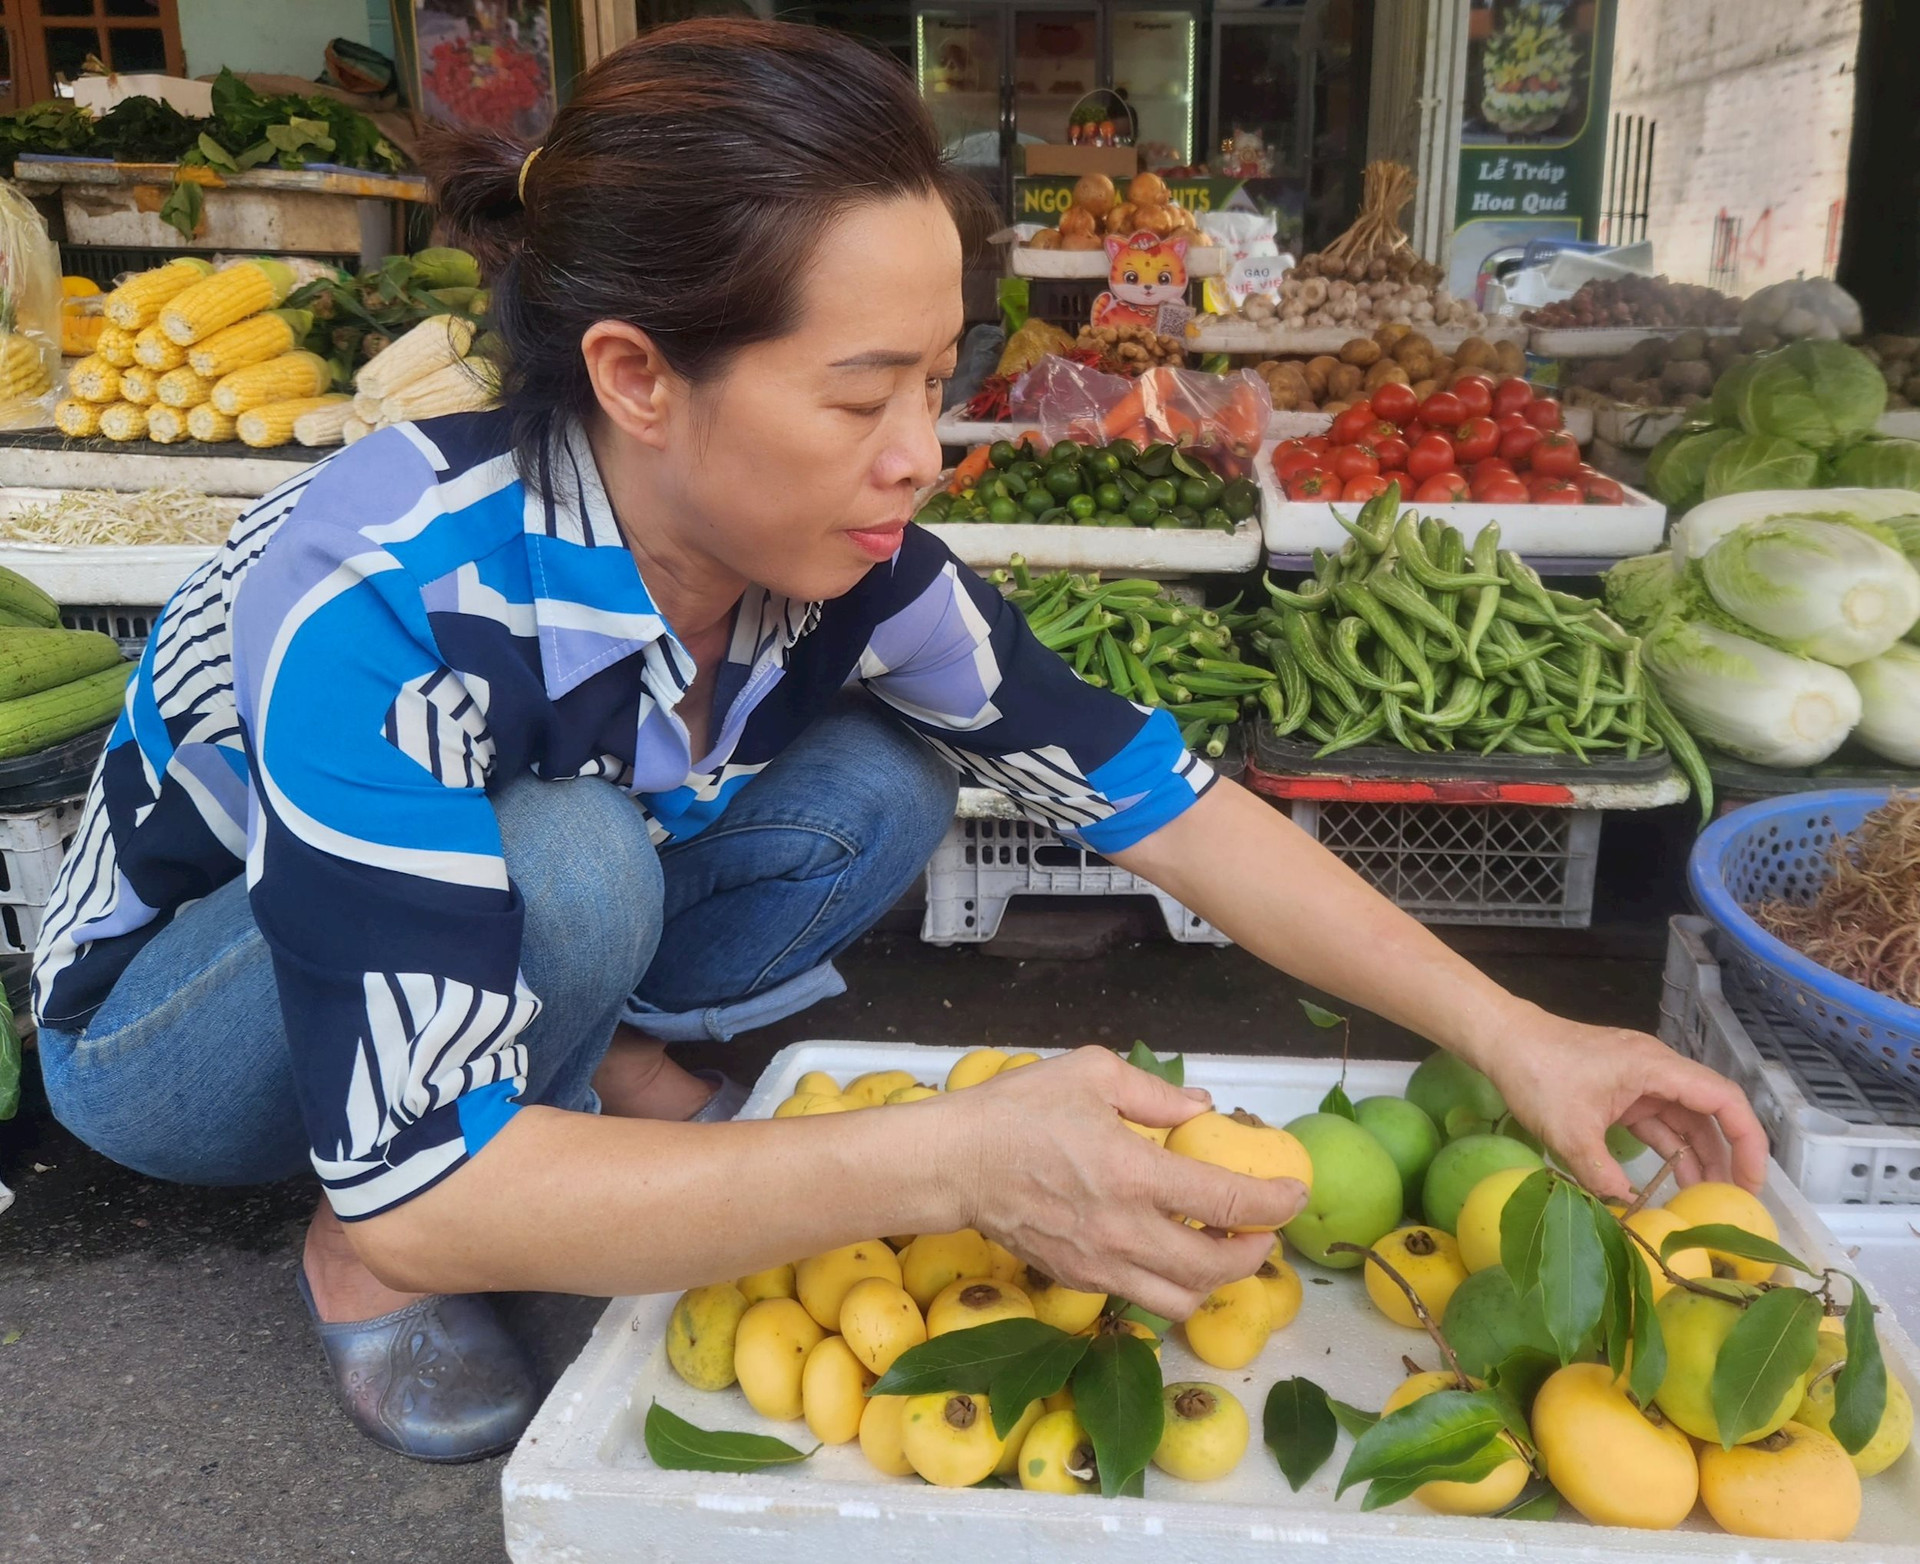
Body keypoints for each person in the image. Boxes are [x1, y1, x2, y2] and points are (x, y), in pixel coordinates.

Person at [29, 19, 1767, 1465]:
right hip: (175, 1026)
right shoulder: (390, 589)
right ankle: (364, 1258)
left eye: (941, 379)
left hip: (475, 907)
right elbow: (425, 1179)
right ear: (639, 377)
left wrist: (1519, 1030)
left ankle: (583, 1072)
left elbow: (1163, 802)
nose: (921, 451)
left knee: (884, 782)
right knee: (566, 865)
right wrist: (956, 1154)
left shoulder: (864, 571)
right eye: (862, 396)